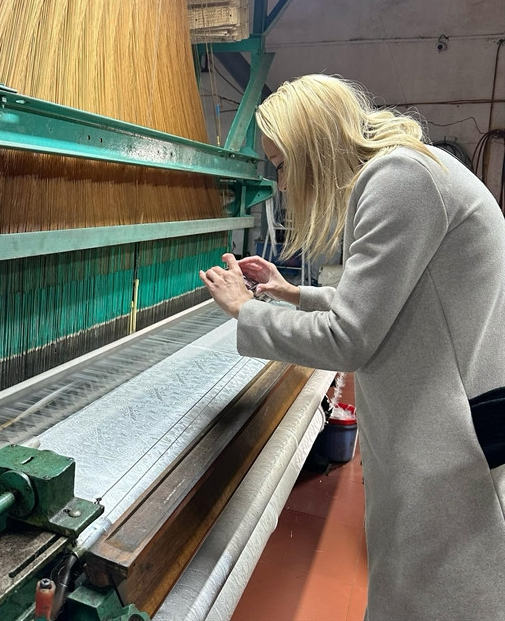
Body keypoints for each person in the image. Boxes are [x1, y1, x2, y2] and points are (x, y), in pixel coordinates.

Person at [199, 75, 505, 621]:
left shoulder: (400, 178)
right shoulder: (407, 170)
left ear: (313, 148)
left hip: (453, 439)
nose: (282, 184)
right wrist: (292, 293)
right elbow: (388, 299)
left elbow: (349, 337)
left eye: (282, 164)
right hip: (444, 422)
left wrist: (246, 310)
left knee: (433, 596)